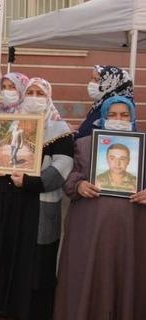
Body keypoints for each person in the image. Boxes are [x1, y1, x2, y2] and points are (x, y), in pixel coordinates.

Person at [0, 77, 74, 320]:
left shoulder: (59, 129)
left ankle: (34, 312)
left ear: (48, 97)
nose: (34, 97)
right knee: (7, 249)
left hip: (38, 201)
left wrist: (31, 182)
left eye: (39, 93)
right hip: (8, 199)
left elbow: (63, 165)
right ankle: (8, 308)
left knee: (34, 258)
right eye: (30, 92)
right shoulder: (11, 121)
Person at [55, 95, 146, 320]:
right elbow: (70, 177)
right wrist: (79, 185)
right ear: (103, 116)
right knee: (89, 276)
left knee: (126, 276)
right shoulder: (85, 144)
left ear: (132, 118)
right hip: (90, 230)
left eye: (124, 115)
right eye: (112, 115)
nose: (118, 120)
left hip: (131, 230)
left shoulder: (144, 147)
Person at [76, 65, 134, 139]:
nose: (91, 83)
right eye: (92, 78)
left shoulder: (117, 106)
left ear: (112, 83)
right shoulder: (99, 104)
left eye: (96, 80)